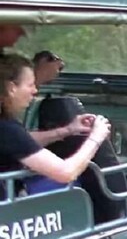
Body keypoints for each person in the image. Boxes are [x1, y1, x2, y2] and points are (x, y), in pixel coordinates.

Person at [0, 53, 111, 199]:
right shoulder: (7, 128)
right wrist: (96, 137)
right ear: (11, 88)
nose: (35, 91)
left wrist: (67, 130)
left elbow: (22, 141)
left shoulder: (7, 128)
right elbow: (65, 172)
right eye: (31, 85)